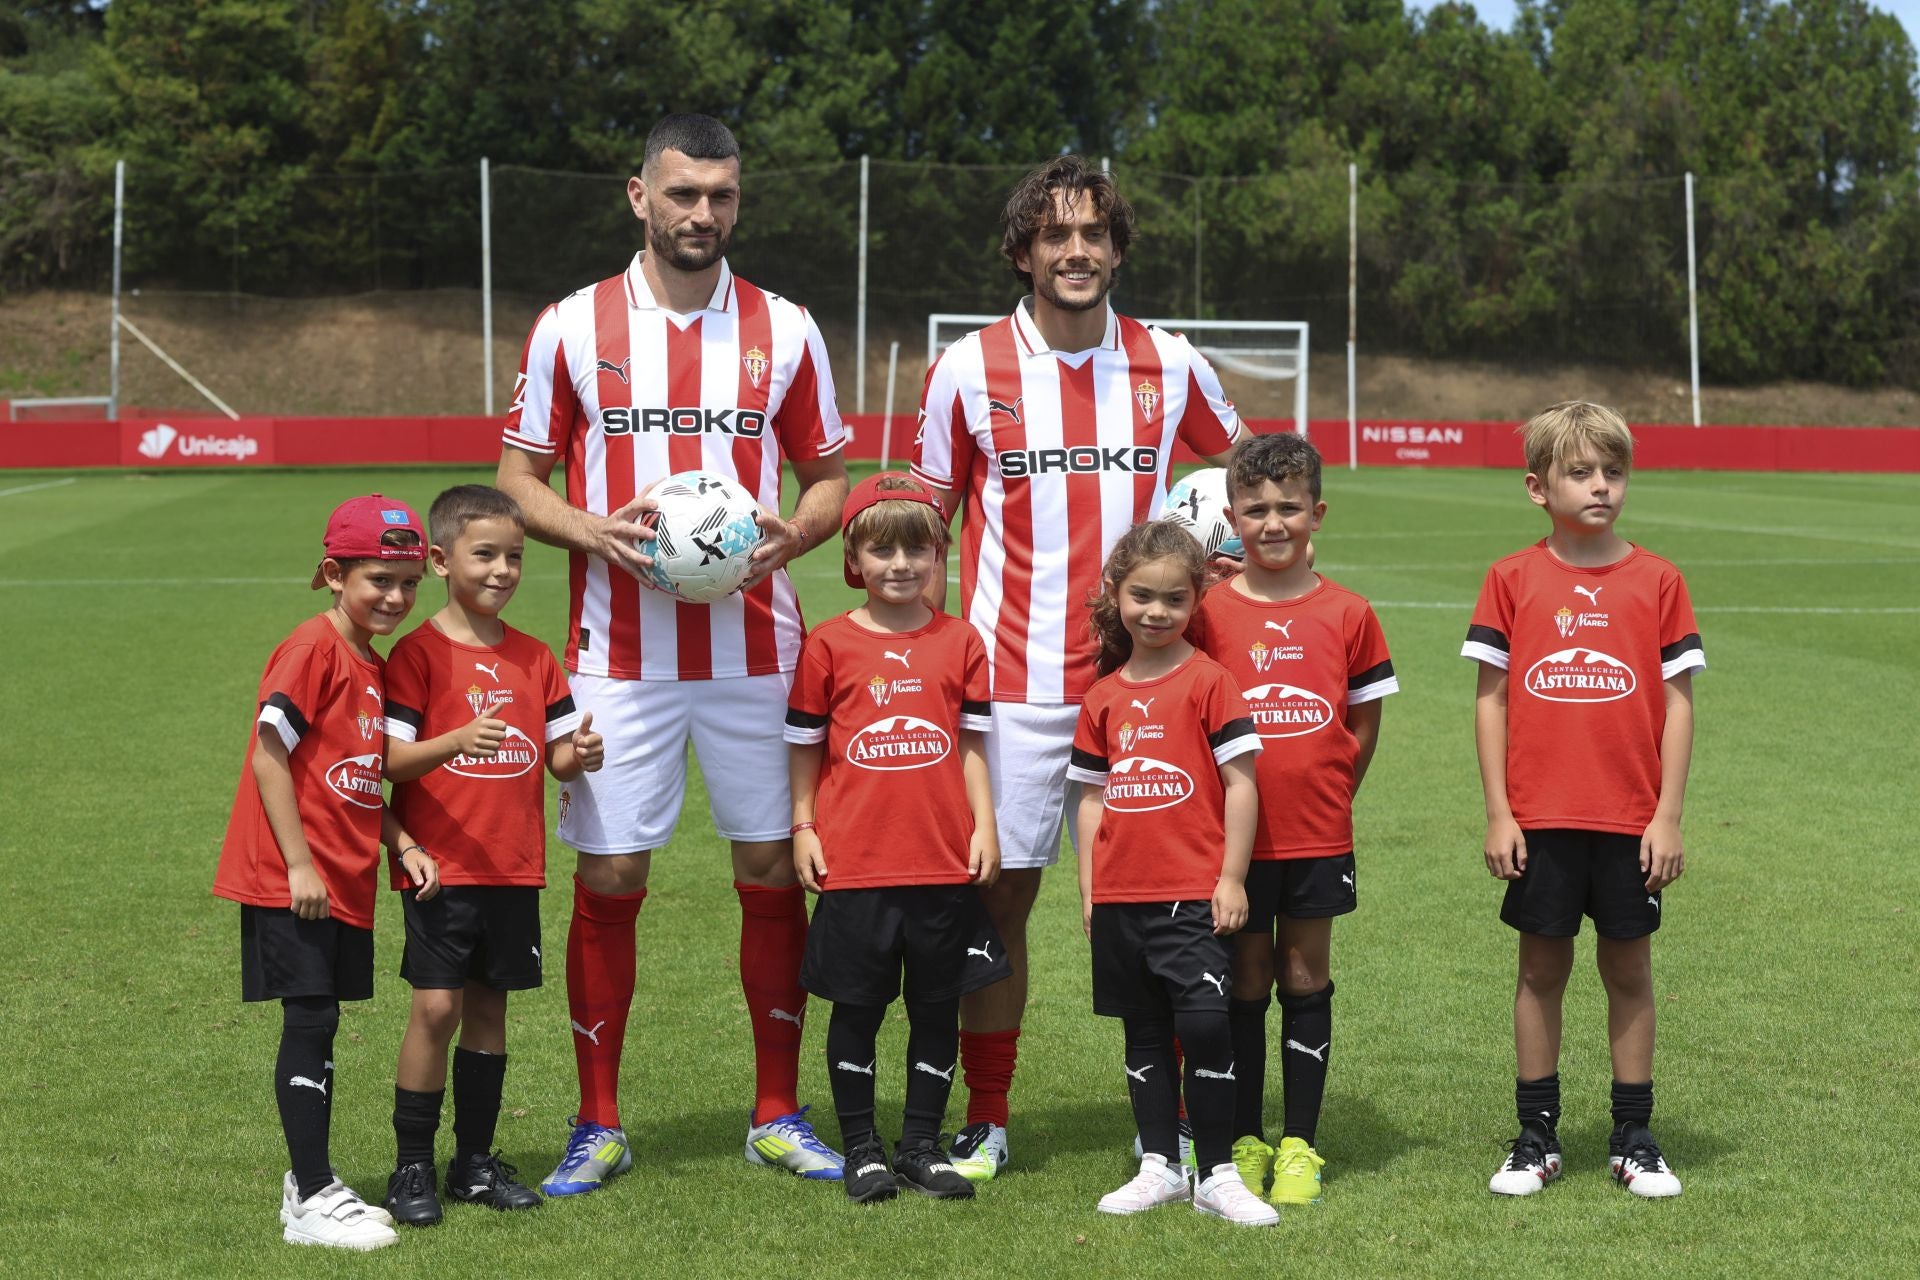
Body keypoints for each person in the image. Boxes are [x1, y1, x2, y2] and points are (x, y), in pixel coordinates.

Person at [496, 113, 851, 1194]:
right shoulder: (571, 324)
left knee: (770, 865)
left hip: (757, 650)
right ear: (638, 196)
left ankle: (777, 1112)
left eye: (723, 196)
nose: (704, 213)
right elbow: (517, 478)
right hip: (617, 655)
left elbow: (829, 477)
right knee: (610, 871)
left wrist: (792, 534)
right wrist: (597, 531)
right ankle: (597, 1121)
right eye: (684, 193)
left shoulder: (785, 328)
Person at [911, 155, 1244, 1180]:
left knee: (1172, 905)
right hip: (1011, 687)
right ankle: (991, 1114)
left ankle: (1186, 1121)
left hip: (1145, 689)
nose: (1077, 249)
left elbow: (1250, 472)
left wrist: (1234, 553)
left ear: (1116, 246)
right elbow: (926, 521)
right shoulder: (966, 369)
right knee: (999, 901)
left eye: (1094, 232)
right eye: (1056, 234)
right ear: (1023, 251)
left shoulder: (1170, 360)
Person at [1462, 402, 1703, 1199]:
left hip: (1631, 822)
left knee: (1629, 969)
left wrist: (1666, 814)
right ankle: (1536, 1135)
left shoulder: (1659, 580)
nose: (1601, 486)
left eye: (1613, 471)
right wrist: (1500, 811)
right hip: (1541, 819)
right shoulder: (1510, 577)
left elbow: (1677, 703)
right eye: (1580, 472)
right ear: (1538, 487)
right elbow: (1491, 699)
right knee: (1541, 970)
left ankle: (1634, 1135)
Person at [212, 494, 438, 1251]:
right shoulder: (313, 648)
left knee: (325, 1020)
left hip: (342, 875)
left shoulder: (367, 663)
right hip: (294, 877)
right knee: (309, 1019)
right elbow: (268, 754)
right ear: (333, 574)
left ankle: (317, 1182)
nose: (397, 598)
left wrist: (398, 840)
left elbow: (351, 775)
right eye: (379, 579)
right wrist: (299, 864)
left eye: (408, 583)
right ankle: (309, 1195)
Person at [379, 485, 606, 1225]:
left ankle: (472, 1163)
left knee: (487, 1012)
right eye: (486, 555)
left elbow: (559, 757)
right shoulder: (416, 657)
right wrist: (454, 741)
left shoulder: (536, 658)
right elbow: (389, 759)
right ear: (442, 560)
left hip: (513, 868)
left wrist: (581, 755)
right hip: (440, 868)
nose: (504, 570)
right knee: (436, 1006)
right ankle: (412, 1167)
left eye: (514, 556)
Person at [784, 472, 1011, 1204]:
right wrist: (803, 825)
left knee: (937, 1008)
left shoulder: (961, 642)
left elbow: (973, 746)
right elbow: (806, 748)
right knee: (857, 1009)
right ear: (855, 560)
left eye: (917, 547)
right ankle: (861, 1149)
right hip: (856, 863)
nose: (901, 563)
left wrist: (985, 825)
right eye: (882, 549)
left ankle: (919, 1145)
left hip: (942, 860)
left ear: (939, 553)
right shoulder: (827, 645)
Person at [1189, 432, 1397, 1208]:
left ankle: (1301, 1143)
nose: (1273, 523)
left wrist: (1338, 786)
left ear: (1318, 512)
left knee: (1305, 972)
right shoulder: (1208, 612)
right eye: (1255, 510)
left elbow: (1363, 718)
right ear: (1233, 519)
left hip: (1315, 833)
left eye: (1288, 508)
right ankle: (1244, 1137)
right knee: (1243, 975)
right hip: (1231, 844)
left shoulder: (1348, 611)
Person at [1066, 520, 1273, 1226]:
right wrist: (1092, 887)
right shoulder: (1102, 696)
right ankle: (1159, 1165)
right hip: (1122, 897)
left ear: (1196, 602)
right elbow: (1092, 797)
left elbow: (1241, 784)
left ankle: (1216, 1172)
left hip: (1192, 893)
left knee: (1207, 1026)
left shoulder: (1210, 681)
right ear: (1116, 595)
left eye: (1174, 600)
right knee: (1144, 1033)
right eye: (1142, 596)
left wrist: (1231, 877)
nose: (1156, 612)